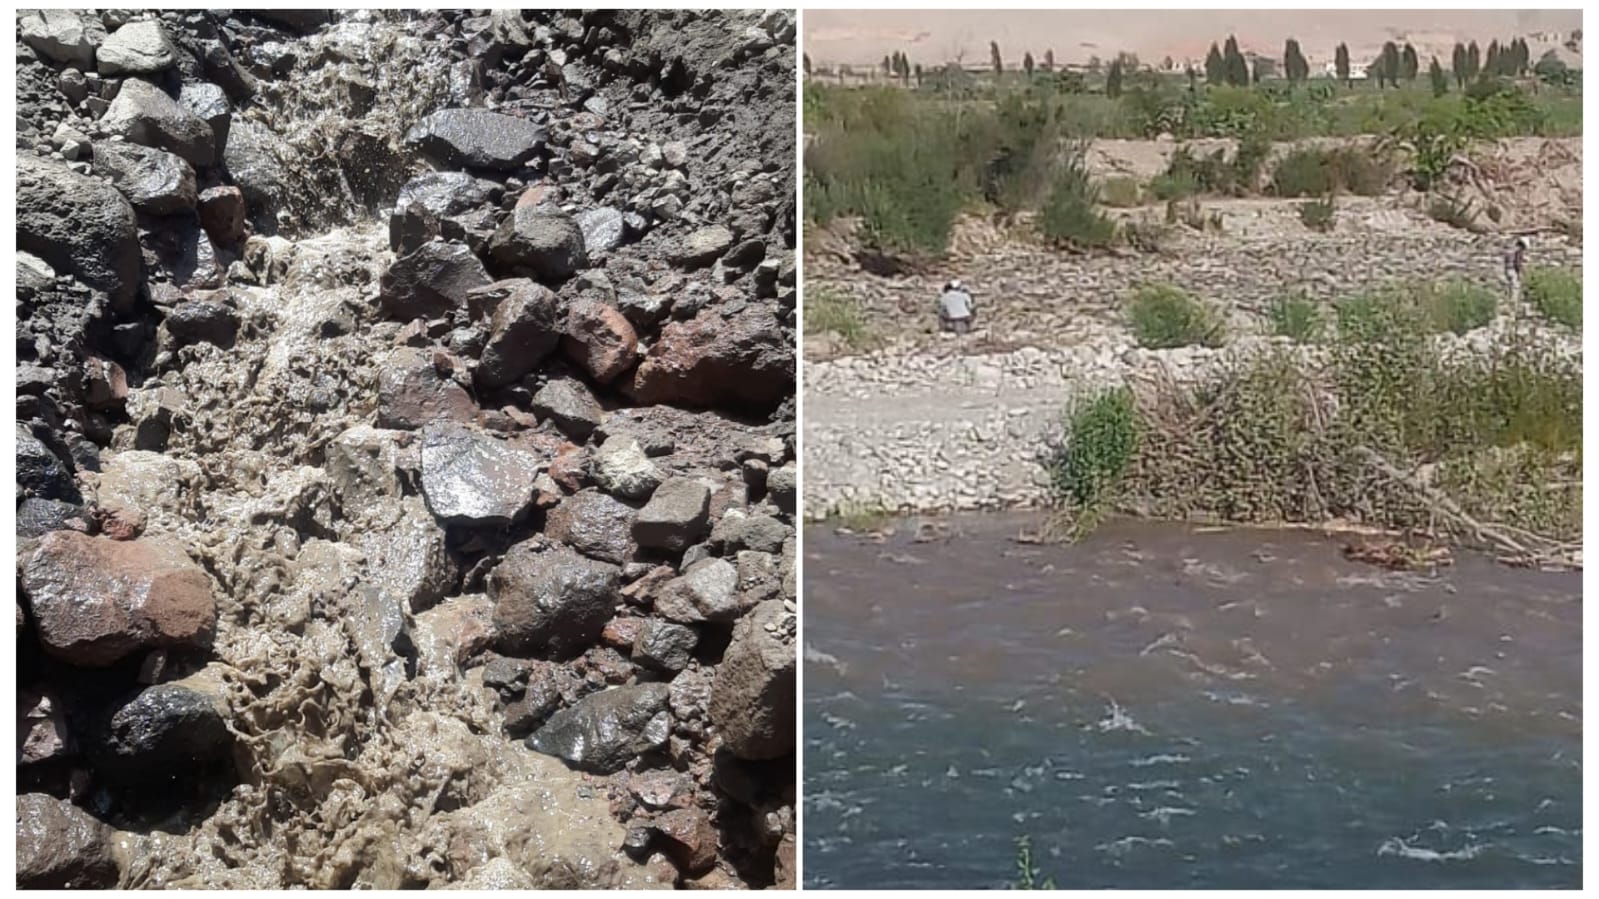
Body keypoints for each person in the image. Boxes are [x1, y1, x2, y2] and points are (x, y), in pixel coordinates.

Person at [1504, 235, 1529, 305]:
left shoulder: (1510, 250)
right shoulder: (1518, 251)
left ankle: (1508, 301)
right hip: (1513, 270)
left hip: (1507, 270)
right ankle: (1513, 304)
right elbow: (1517, 262)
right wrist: (1519, 272)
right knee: (1515, 287)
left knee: (1509, 287)